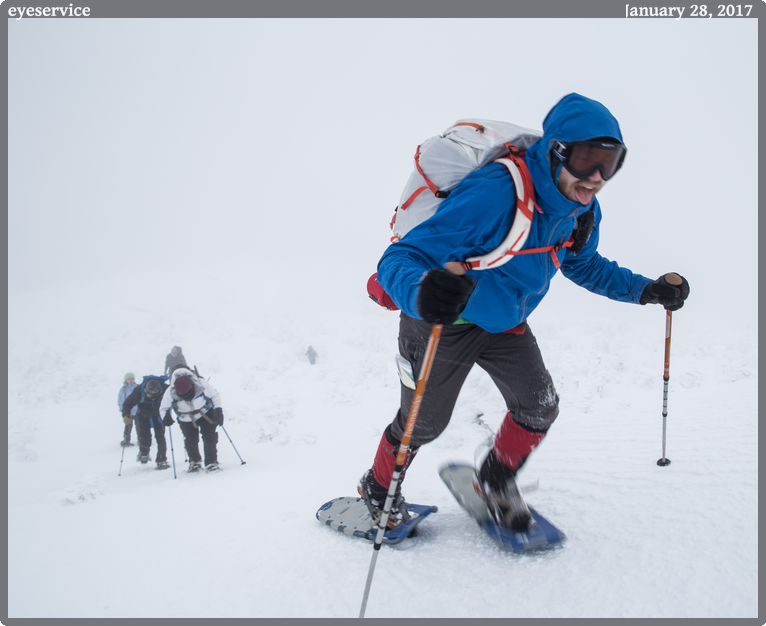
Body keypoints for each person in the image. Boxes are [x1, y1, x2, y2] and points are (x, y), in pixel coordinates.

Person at [360, 93, 690, 531]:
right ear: (556, 150)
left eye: (609, 163)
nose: (595, 177)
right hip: (444, 320)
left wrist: (644, 290)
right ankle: (378, 487)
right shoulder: (496, 192)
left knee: (539, 407)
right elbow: (401, 258)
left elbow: (583, 263)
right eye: (587, 159)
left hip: (504, 321)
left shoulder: (579, 208)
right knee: (423, 424)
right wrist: (424, 293)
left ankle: (496, 480)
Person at [160, 367, 225, 473]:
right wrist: (165, 416)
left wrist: (218, 411)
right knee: (191, 440)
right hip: (185, 418)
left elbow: (214, 395)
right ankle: (194, 462)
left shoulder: (200, 383)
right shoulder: (170, 391)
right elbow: (164, 407)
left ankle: (211, 462)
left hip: (205, 413)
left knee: (210, 437)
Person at [122, 375, 171, 469]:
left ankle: (162, 459)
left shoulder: (165, 389)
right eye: (151, 391)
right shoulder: (139, 390)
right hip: (143, 415)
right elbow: (128, 403)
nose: (153, 393)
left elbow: (176, 397)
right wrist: (126, 415)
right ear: (146, 389)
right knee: (144, 435)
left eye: (156, 391)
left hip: (158, 415)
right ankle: (143, 453)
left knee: (160, 436)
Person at [117, 372, 138, 447]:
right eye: (129, 379)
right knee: (128, 426)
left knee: (140, 426)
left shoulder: (137, 387)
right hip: (129, 411)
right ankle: (126, 439)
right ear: (126, 380)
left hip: (138, 411)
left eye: (132, 378)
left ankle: (142, 439)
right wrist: (123, 411)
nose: (131, 380)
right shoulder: (123, 390)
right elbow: (121, 400)